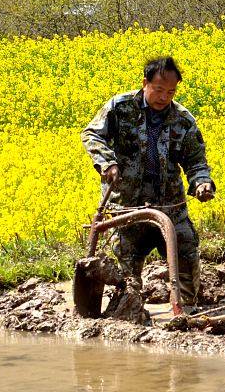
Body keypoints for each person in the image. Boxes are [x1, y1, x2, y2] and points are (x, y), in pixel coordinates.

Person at [81, 56, 215, 318]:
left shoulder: (183, 119)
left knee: (186, 253)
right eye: (158, 89)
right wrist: (107, 162)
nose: (164, 97)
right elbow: (92, 134)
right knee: (128, 271)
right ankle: (131, 313)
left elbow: (196, 160)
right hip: (127, 208)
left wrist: (202, 183)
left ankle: (186, 311)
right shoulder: (120, 108)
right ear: (145, 83)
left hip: (169, 207)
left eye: (171, 91)